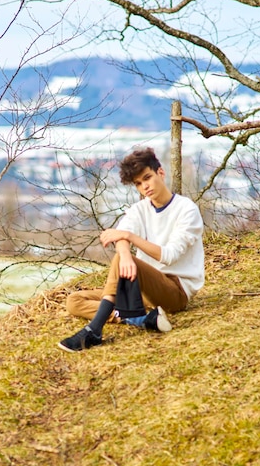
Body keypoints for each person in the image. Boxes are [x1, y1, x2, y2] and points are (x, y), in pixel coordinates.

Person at [58, 146, 204, 352]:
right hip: (143, 291)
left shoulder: (186, 209)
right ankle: (141, 319)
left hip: (175, 291)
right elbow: (122, 236)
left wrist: (128, 239)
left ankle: (94, 331)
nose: (145, 186)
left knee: (123, 258)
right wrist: (125, 251)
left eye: (147, 178)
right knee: (74, 301)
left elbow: (168, 256)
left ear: (160, 173)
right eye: (138, 183)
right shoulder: (139, 209)